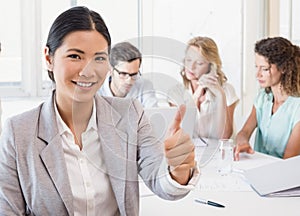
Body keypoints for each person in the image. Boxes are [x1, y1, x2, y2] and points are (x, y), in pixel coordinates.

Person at [0, 6, 198, 215]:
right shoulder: (18, 132)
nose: (88, 71)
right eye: (75, 56)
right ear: (49, 58)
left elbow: (162, 183)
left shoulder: (130, 114)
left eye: (99, 58)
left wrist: (178, 169)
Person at [234, 36, 300, 160]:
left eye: (264, 69)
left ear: (284, 68)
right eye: (256, 67)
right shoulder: (263, 98)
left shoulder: (297, 107)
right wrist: (242, 142)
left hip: (284, 174)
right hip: (259, 168)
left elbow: (289, 161)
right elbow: (244, 132)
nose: (258, 74)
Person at [168, 36, 239, 139]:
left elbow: (224, 136)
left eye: (199, 63)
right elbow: (177, 132)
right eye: (188, 60)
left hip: (221, 153)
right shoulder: (176, 93)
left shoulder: (226, 90)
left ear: (212, 66)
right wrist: (197, 93)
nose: (191, 67)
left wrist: (220, 95)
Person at [98, 41, 158, 108]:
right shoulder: (96, 90)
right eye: (123, 74)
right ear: (111, 70)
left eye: (134, 74)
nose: (129, 81)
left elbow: (153, 115)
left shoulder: (144, 86)